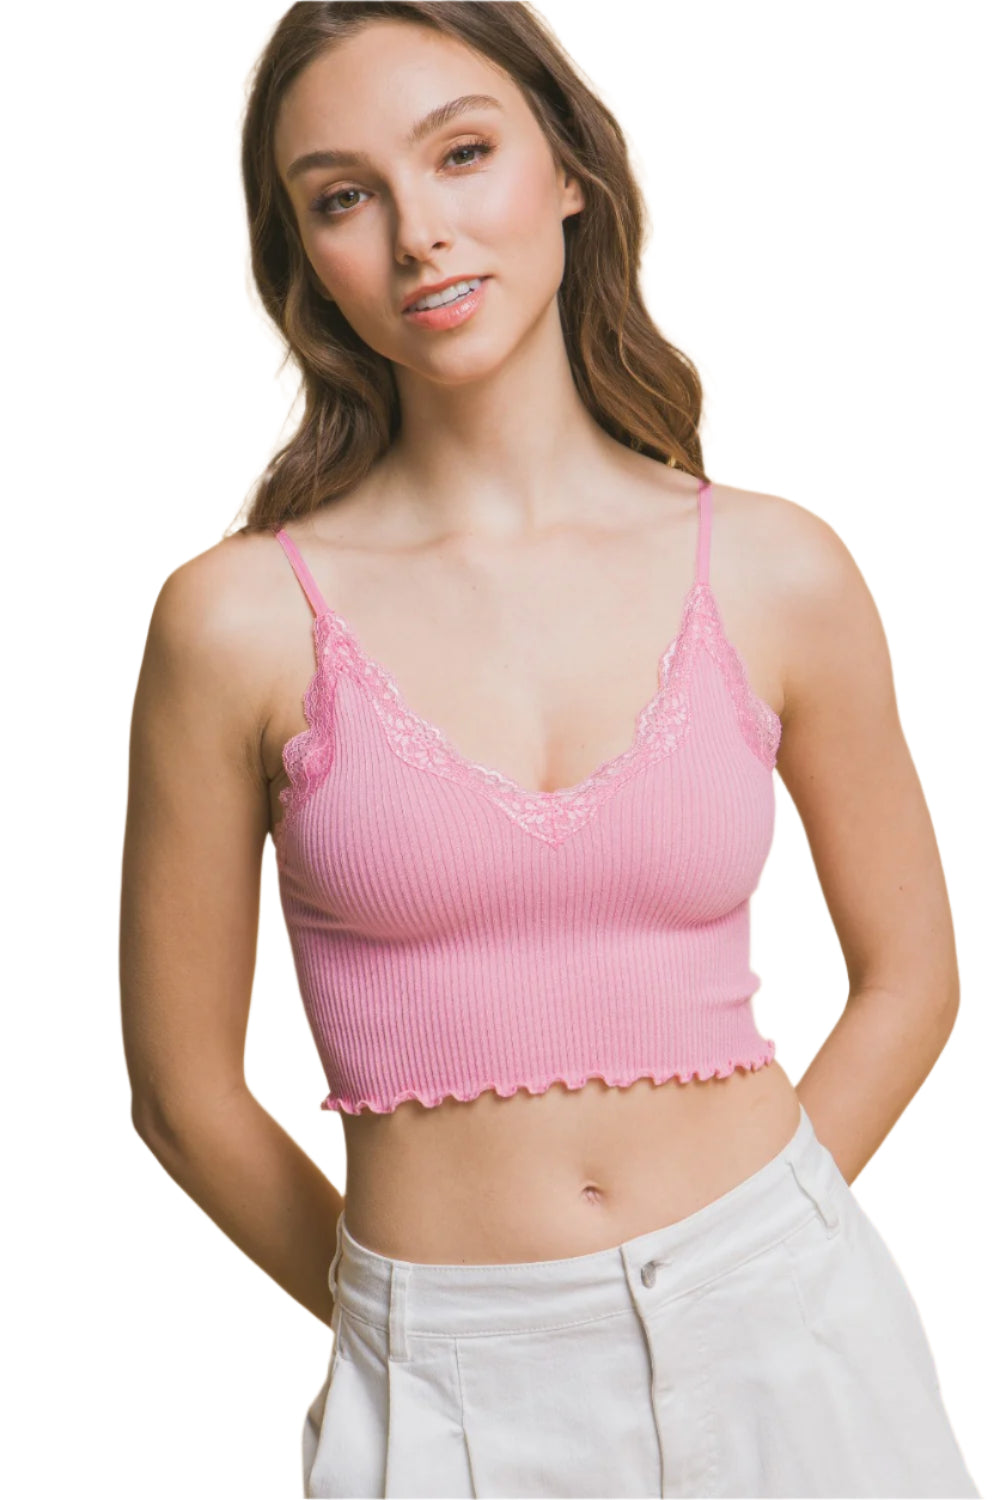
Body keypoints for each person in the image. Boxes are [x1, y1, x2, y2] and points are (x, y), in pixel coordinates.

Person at [119, 3, 980, 1496]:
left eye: (462, 154)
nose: (419, 235)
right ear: (303, 256)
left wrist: (757, 1251)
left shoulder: (776, 569)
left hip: (797, 1341)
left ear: (568, 170)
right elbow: (182, 1096)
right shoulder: (239, 623)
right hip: (452, 1386)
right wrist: (416, 1329)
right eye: (344, 196)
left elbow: (914, 974)